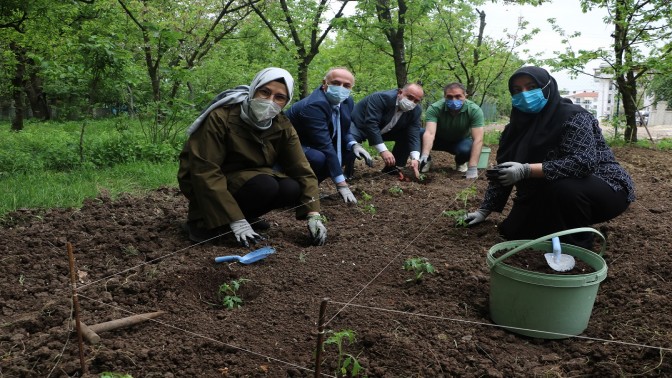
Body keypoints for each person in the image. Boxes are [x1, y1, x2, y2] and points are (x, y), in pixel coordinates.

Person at [464, 66, 635, 249]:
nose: (525, 94)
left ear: (547, 87)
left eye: (531, 87)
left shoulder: (574, 116)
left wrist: (526, 170)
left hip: (601, 187)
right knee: (513, 231)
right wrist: (485, 209)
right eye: (517, 90)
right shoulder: (512, 130)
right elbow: (504, 172)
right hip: (546, 190)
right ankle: (555, 226)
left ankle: (577, 248)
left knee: (564, 188)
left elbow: (583, 163)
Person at [177, 67, 327, 247]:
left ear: (286, 102)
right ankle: (202, 222)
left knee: (290, 187)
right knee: (265, 185)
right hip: (203, 179)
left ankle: (245, 216)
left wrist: (313, 214)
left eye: (279, 97)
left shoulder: (281, 124)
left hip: (247, 178)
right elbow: (205, 170)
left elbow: (302, 169)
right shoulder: (221, 117)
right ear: (253, 89)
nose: (270, 101)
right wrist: (235, 219)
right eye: (265, 92)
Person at [285, 67, 367, 204]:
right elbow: (325, 145)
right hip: (292, 146)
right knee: (319, 158)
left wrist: (354, 144)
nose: (341, 88)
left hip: (316, 143)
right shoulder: (314, 105)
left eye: (346, 85)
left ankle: (310, 188)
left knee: (349, 152)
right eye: (336, 83)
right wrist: (341, 184)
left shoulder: (347, 101)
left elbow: (344, 130)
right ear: (325, 83)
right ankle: (294, 192)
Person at [347, 83, 424, 177]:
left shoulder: (416, 111)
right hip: (360, 126)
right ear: (400, 92)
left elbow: (414, 133)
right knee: (351, 140)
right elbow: (371, 123)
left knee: (416, 133)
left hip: (385, 130)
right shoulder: (381, 98)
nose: (412, 102)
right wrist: (383, 151)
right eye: (409, 97)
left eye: (416, 101)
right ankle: (347, 172)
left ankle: (393, 168)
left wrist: (415, 158)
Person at [418, 82, 485, 179]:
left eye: (458, 96)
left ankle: (460, 162)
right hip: (438, 139)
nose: (454, 100)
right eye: (449, 97)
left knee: (467, 149)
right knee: (418, 133)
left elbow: (478, 139)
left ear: (465, 95)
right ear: (444, 96)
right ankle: (426, 161)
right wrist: (424, 154)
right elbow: (430, 133)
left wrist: (473, 167)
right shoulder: (435, 108)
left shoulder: (474, 110)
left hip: (460, 142)